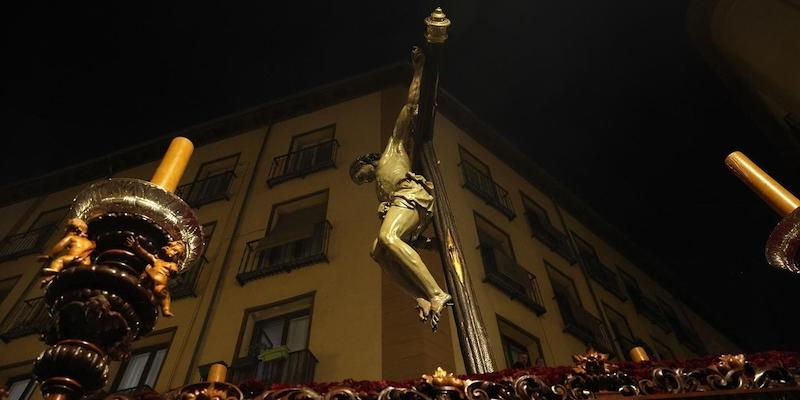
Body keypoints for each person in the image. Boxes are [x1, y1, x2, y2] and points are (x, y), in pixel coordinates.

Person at [350, 46, 452, 331]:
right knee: (378, 250)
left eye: (359, 175)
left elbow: (409, 109)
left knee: (387, 236)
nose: (361, 181)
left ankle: (436, 292)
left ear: (366, 163)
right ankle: (420, 296)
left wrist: (418, 69)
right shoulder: (380, 190)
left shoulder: (391, 151)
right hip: (404, 202)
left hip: (413, 194)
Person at [126, 236, 185, 317]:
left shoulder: (172, 264)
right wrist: (136, 246)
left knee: (164, 294)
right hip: (149, 274)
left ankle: (165, 310)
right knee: (143, 277)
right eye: (173, 250)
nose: (174, 253)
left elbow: (174, 270)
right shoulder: (157, 260)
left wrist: (174, 271)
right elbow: (145, 254)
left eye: (176, 253)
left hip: (160, 282)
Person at [39, 218, 95, 286]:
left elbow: (60, 246)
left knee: (59, 261)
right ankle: (51, 277)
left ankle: (53, 272)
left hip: (73, 259)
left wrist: (50, 256)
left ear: (75, 230)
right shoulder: (90, 243)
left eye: (68, 230)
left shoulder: (72, 237)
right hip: (86, 263)